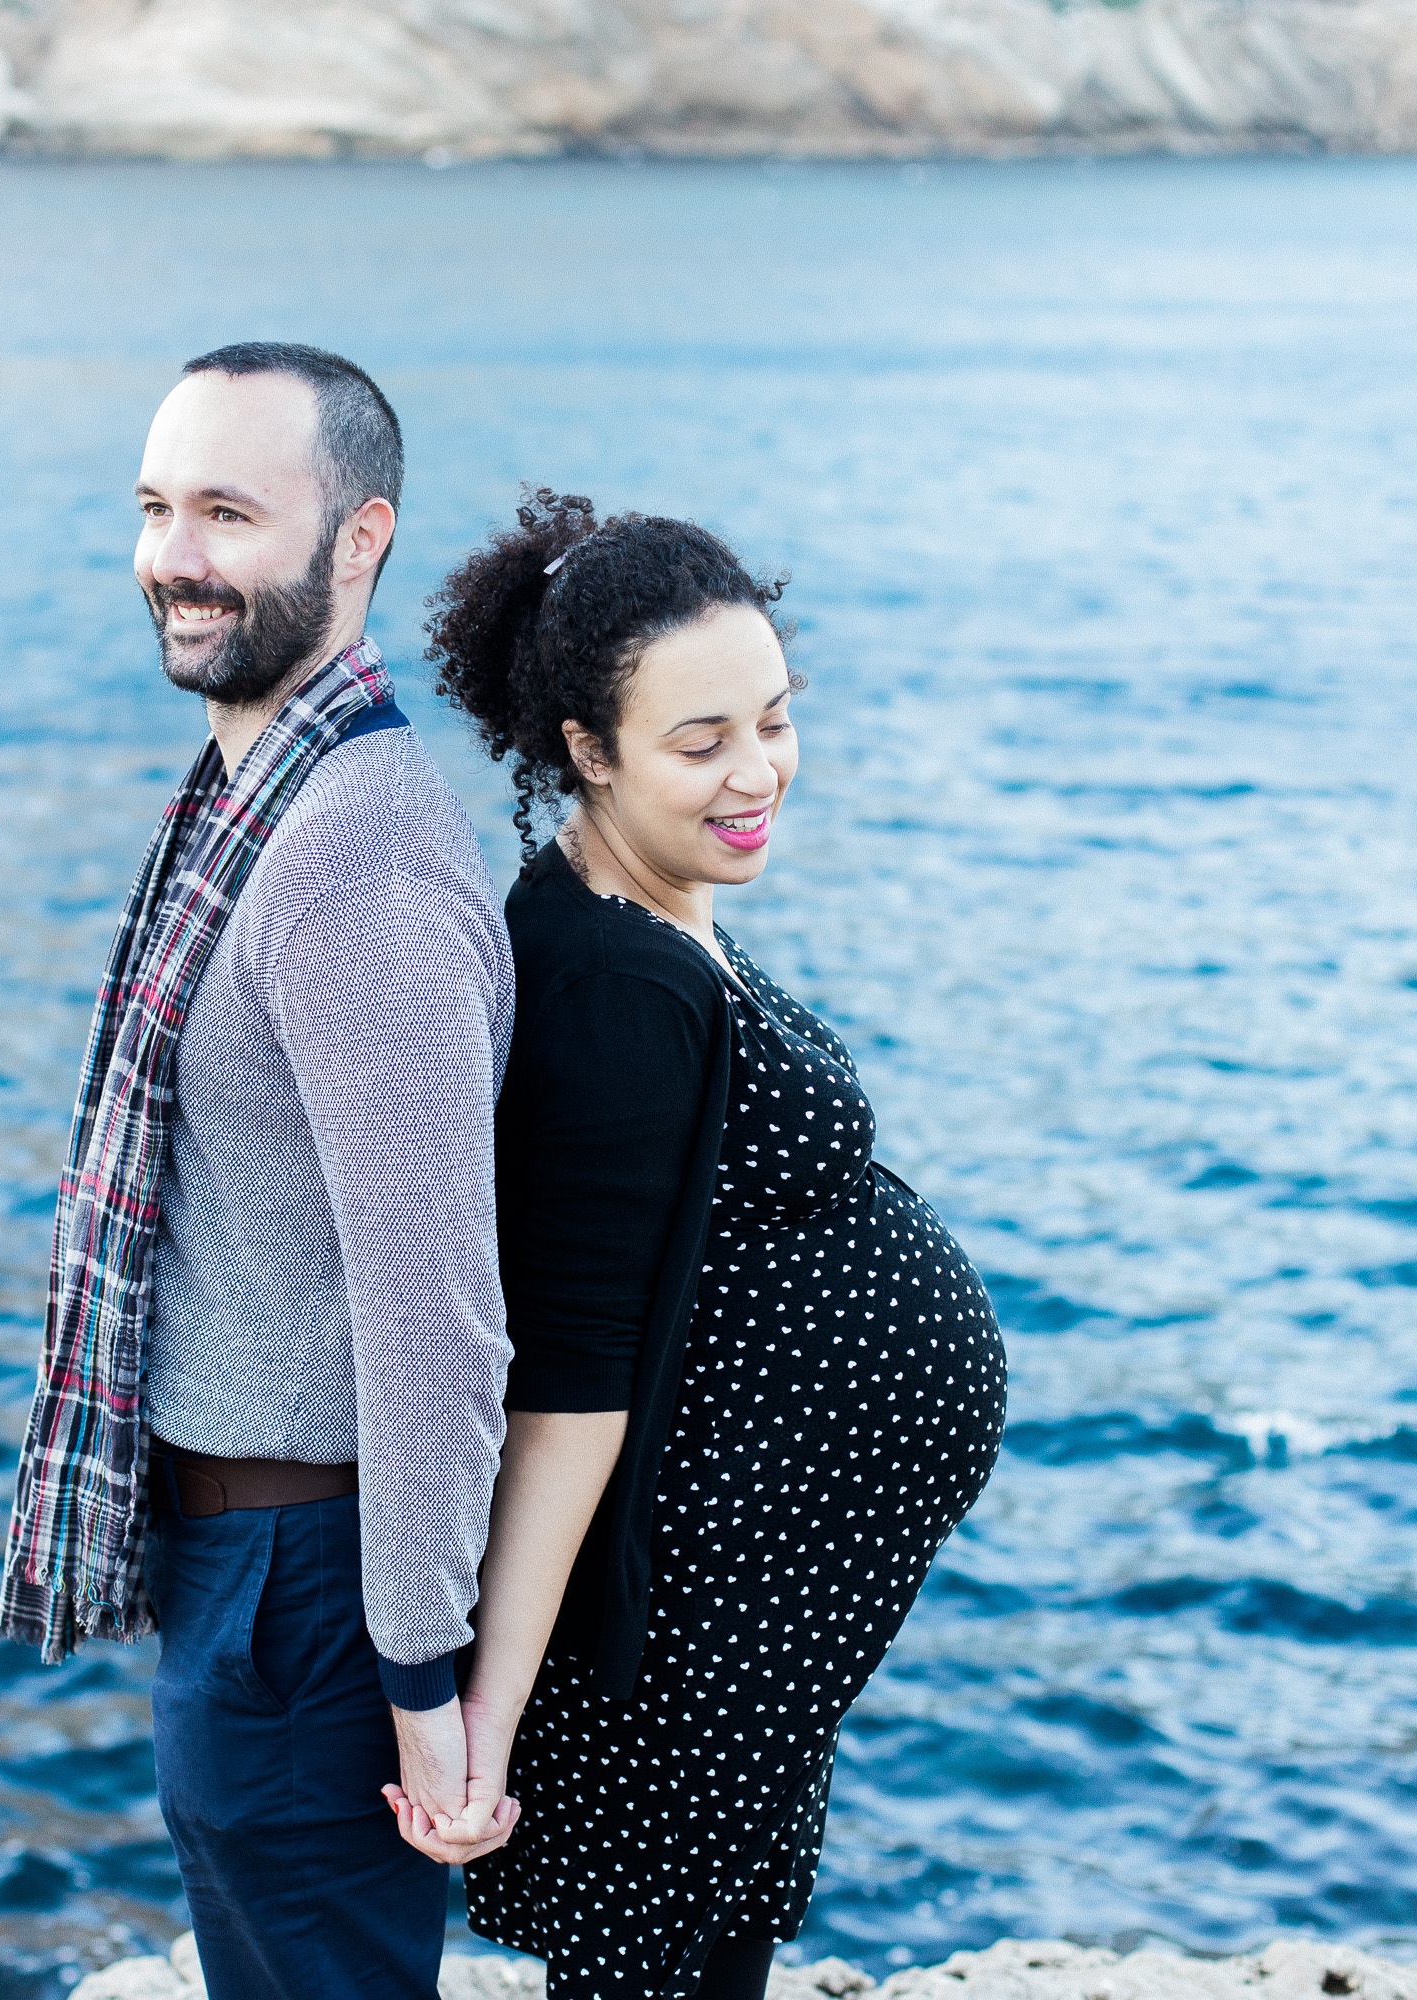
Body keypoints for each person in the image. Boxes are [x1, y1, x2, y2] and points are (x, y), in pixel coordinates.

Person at [393, 490, 1008, 1998]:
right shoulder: (610, 986)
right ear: (586, 752)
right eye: (702, 741)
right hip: (677, 1654)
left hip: (737, 1625)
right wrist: (488, 1710)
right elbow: (568, 1384)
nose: (760, 774)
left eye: (776, 719)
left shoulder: (642, 908)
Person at [0, 345, 516, 2000]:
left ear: (359, 542)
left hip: (314, 1606)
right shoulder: (247, 806)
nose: (176, 556)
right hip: (247, 1575)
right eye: (156, 508)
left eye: (229, 510)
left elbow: (437, 1317)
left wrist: (426, 1688)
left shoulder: (352, 857)